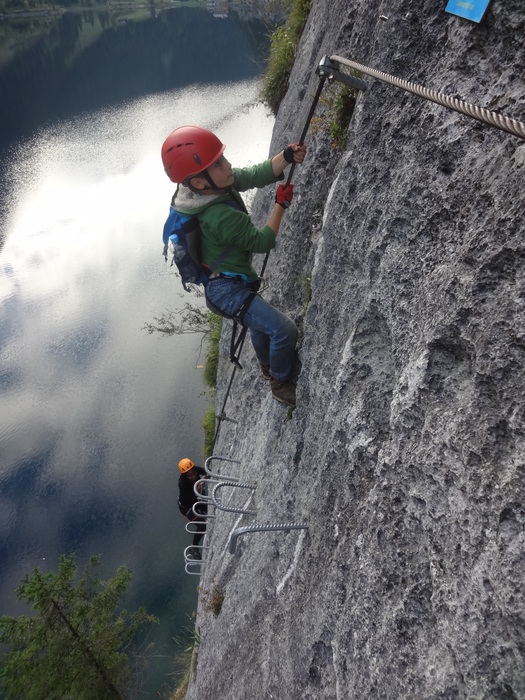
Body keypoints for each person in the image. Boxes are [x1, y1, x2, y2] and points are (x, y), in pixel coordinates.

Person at [161, 125, 307, 407]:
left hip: (223, 283)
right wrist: (280, 204)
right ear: (200, 182)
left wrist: (286, 156)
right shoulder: (220, 217)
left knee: (257, 324)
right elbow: (263, 242)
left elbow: (252, 175)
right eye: (218, 164)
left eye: (223, 159)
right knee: (284, 330)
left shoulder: (200, 192)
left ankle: (266, 365)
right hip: (228, 290)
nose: (228, 166)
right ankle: (279, 381)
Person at [177, 458, 207, 560]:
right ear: (184, 475)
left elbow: (206, 471)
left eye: (193, 473)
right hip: (187, 507)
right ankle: (194, 547)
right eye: (189, 476)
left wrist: (203, 477)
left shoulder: (195, 469)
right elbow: (193, 498)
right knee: (203, 526)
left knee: (209, 509)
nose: (193, 476)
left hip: (196, 500)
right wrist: (199, 486)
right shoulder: (182, 483)